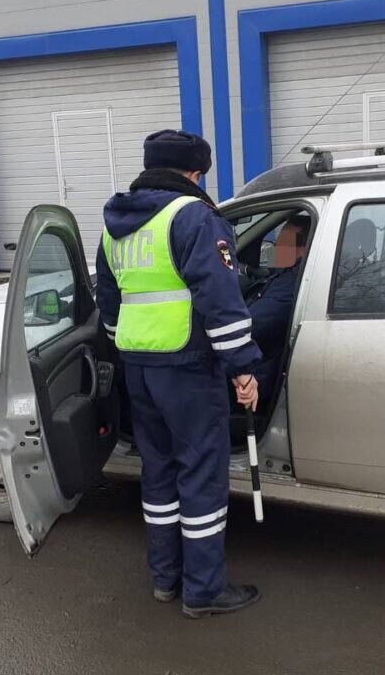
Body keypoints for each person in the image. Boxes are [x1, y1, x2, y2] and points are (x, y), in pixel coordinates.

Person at [96, 129, 263, 619]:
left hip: (139, 366)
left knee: (160, 473)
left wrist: (124, 344)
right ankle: (204, 591)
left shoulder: (115, 225)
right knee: (201, 477)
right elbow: (221, 299)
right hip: (188, 368)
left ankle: (165, 580)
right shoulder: (191, 216)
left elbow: (110, 303)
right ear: (192, 173)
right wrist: (243, 369)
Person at [247, 215, 311, 403]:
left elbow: (253, 325)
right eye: (277, 243)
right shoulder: (283, 274)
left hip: (260, 375)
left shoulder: (291, 284)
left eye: (284, 244)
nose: (276, 249)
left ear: (303, 250)